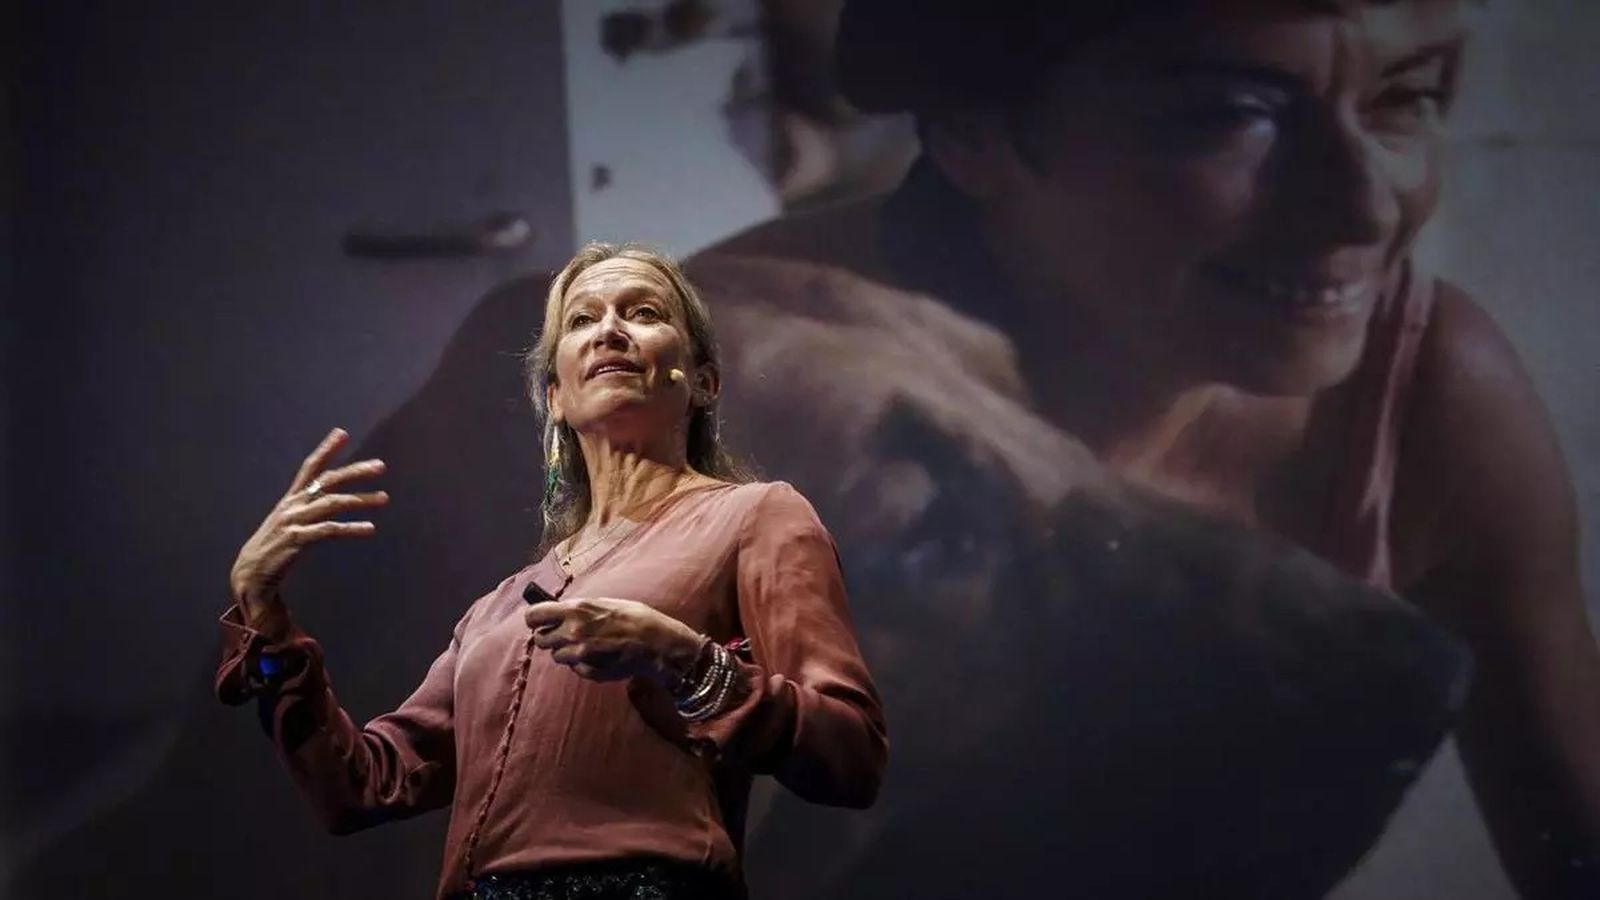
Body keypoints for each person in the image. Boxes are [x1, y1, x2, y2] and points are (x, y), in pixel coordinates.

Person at [673, 0, 1599, 896]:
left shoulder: (1424, 388)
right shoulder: (739, 403)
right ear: (973, 132)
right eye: (1231, 114)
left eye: (1404, 97)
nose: (1365, 209)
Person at [215, 243, 887, 899]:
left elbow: (850, 756)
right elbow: (360, 788)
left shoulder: (755, 517)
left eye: (644, 312)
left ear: (703, 381)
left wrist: (682, 659)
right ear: (556, 395)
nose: (611, 331)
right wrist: (263, 609)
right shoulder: (495, 612)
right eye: (582, 319)